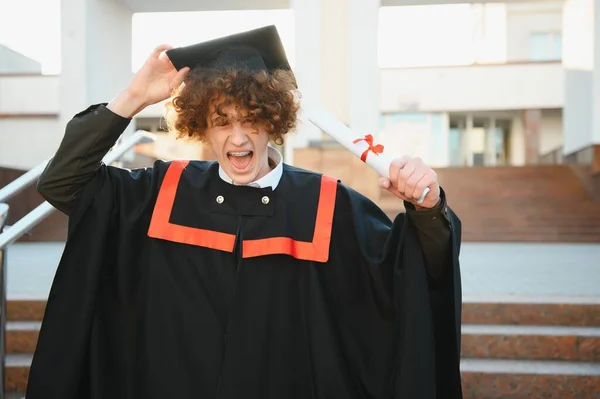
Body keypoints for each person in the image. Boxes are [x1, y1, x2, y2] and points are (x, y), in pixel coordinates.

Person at [28, 26, 463, 399]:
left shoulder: (328, 205)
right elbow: (63, 182)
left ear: (274, 121)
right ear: (201, 126)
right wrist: (133, 98)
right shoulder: (162, 193)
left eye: (251, 118)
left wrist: (427, 208)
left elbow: (410, 276)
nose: (238, 138)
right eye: (222, 121)